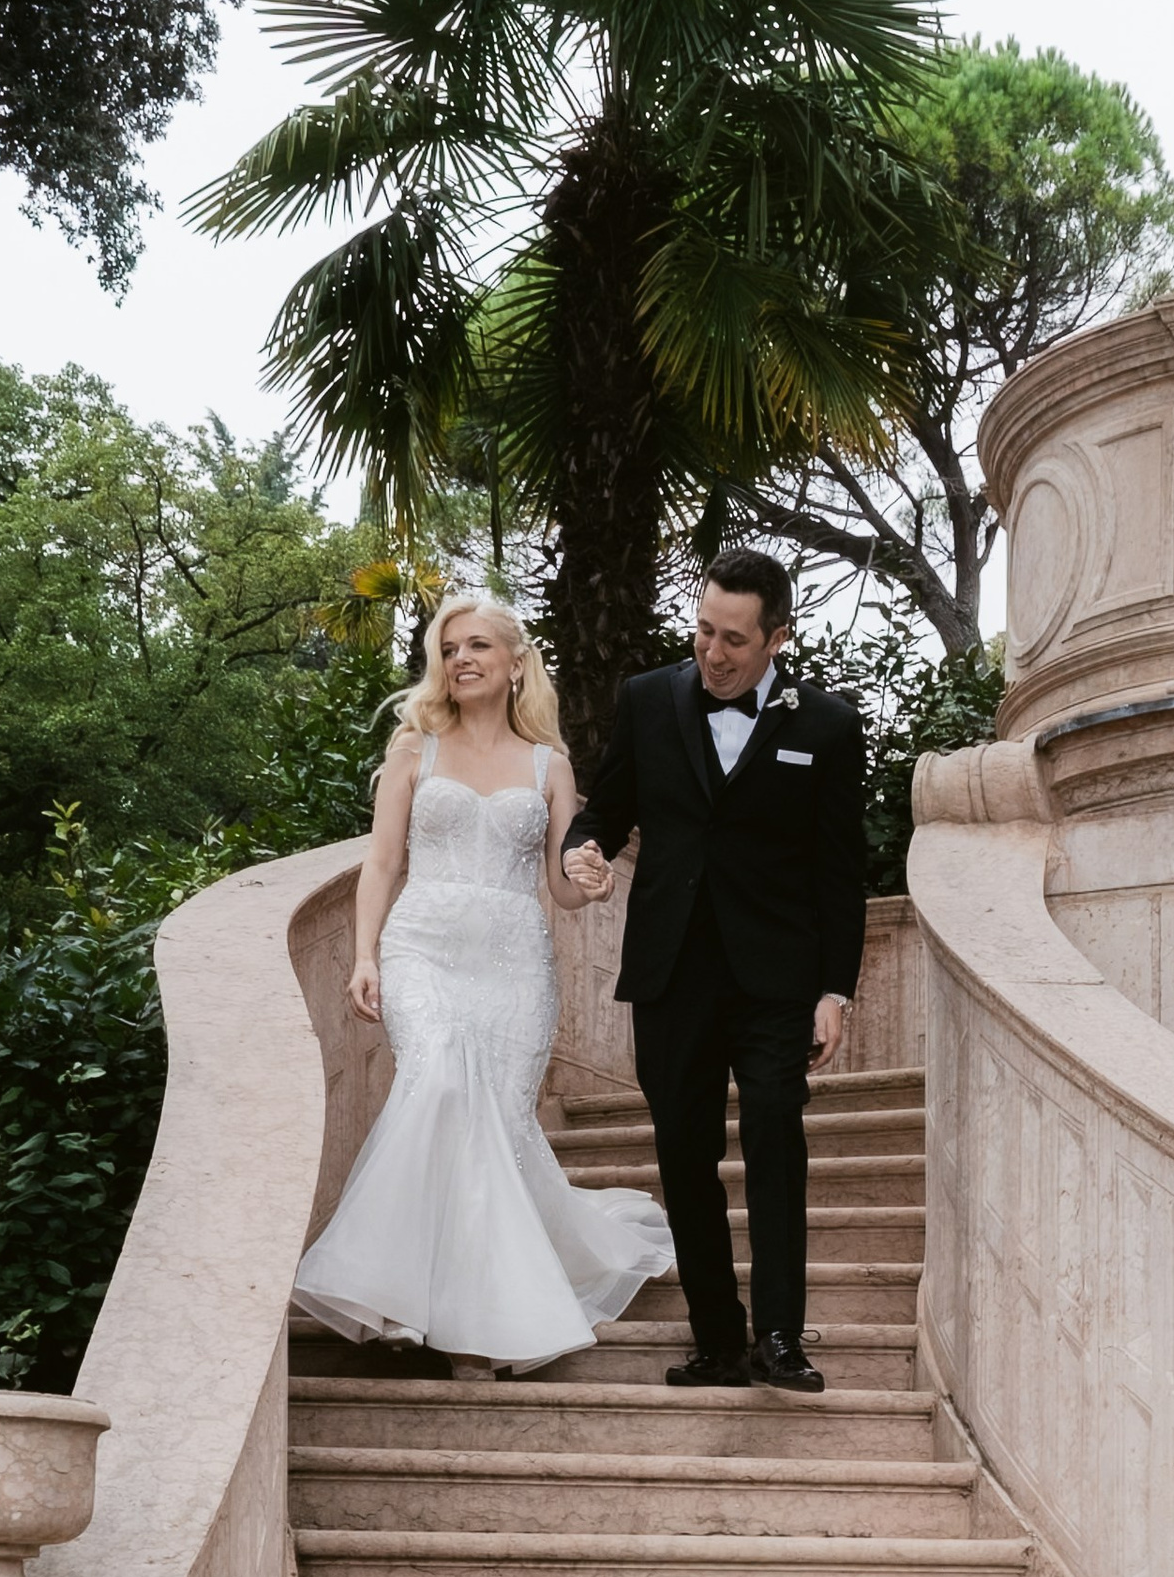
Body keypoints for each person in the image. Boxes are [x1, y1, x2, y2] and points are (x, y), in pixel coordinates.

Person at [293, 595, 674, 1378]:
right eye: (450, 648)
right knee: (435, 1089)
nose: (461, 659)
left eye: (477, 647)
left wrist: (590, 879)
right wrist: (364, 956)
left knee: (493, 1126)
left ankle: (479, 1321)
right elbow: (383, 863)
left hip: (513, 966)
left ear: (514, 663)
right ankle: (408, 1298)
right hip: (423, 950)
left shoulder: (549, 766)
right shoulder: (414, 753)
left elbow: (564, 884)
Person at [561, 549, 865, 1395]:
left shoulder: (828, 727)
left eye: (734, 639)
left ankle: (778, 1336)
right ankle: (716, 1339)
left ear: (777, 639)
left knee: (775, 1136)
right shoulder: (648, 700)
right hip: (671, 973)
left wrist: (834, 987)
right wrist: (580, 850)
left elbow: (841, 872)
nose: (713, 652)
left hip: (776, 980)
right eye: (703, 630)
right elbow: (601, 810)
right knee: (684, 1154)